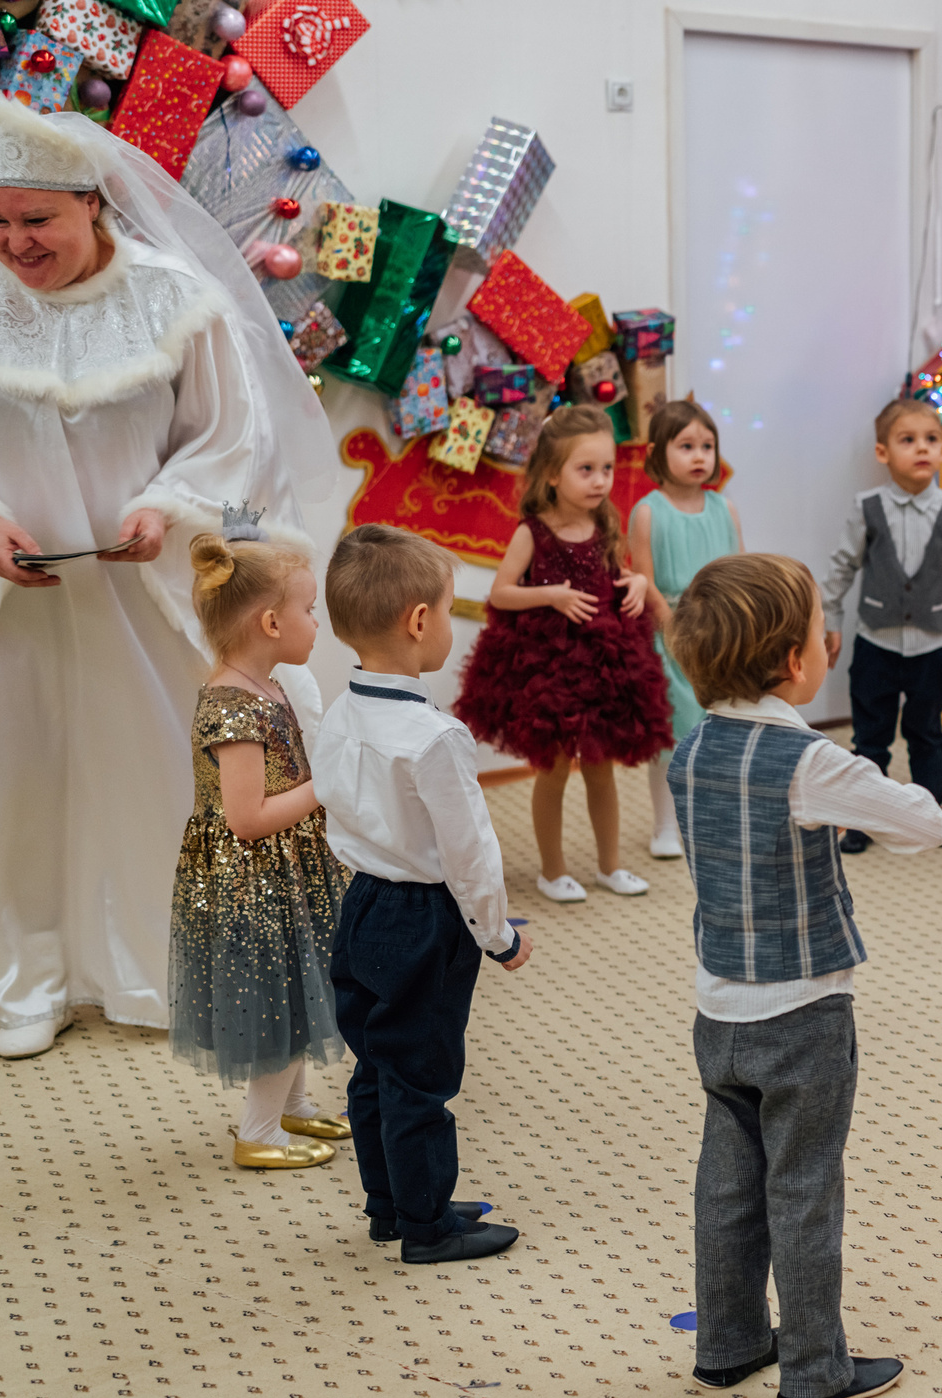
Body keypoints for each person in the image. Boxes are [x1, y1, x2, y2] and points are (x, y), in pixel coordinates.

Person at [0, 94, 333, 1061]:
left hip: (149, 588)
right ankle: (26, 979)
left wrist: (166, 505)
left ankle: (168, 964)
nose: (12, 242)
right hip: (9, 599)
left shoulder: (174, 298)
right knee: (16, 781)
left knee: (162, 771)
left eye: (35, 220)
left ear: (93, 204)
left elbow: (233, 437)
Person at [666, 553, 942, 1398]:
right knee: (805, 1185)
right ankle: (817, 1366)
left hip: (718, 1006)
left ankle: (728, 1341)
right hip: (804, 1011)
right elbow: (922, 825)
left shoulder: (690, 750)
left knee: (727, 1180)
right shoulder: (807, 761)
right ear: (794, 662)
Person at [313, 526, 532, 1265]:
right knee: (422, 1073)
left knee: (376, 1062)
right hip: (423, 919)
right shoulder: (435, 737)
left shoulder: (339, 712)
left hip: (363, 906)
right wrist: (498, 935)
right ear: (418, 621)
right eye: (446, 609)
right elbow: (470, 855)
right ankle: (429, 1226)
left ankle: (392, 1205)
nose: (447, 622)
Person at [168, 515, 352, 1170]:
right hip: (252, 877)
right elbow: (245, 818)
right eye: (308, 609)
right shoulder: (232, 706)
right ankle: (258, 1130)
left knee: (300, 991)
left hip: (284, 868)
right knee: (280, 997)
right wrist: (326, 784)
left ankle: (292, 1108)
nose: (317, 622)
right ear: (270, 624)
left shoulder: (263, 687)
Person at [453, 403, 673, 903]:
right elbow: (502, 594)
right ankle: (552, 871)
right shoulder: (533, 531)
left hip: (602, 665)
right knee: (551, 771)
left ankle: (609, 866)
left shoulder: (606, 525)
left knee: (601, 770)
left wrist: (637, 582)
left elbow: (621, 574)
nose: (601, 481)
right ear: (552, 475)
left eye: (608, 469)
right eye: (586, 469)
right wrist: (550, 594)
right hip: (547, 669)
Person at [816, 397, 942, 852]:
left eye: (931, 440)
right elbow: (841, 566)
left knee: (927, 734)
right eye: (908, 440)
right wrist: (829, 621)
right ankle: (860, 821)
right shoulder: (867, 507)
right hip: (876, 640)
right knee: (870, 738)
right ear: (882, 453)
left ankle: (931, 819)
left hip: (934, 644)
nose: (922, 449)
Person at [632, 399, 743, 860]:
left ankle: (715, 820)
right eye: (687, 446)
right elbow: (646, 581)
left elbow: (742, 574)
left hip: (724, 638)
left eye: (707, 446)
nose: (700, 456)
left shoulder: (725, 509)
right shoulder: (648, 512)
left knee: (724, 735)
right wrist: (674, 632)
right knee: (674, 737)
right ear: (659, 453)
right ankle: (665, 825)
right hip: (673, 638)